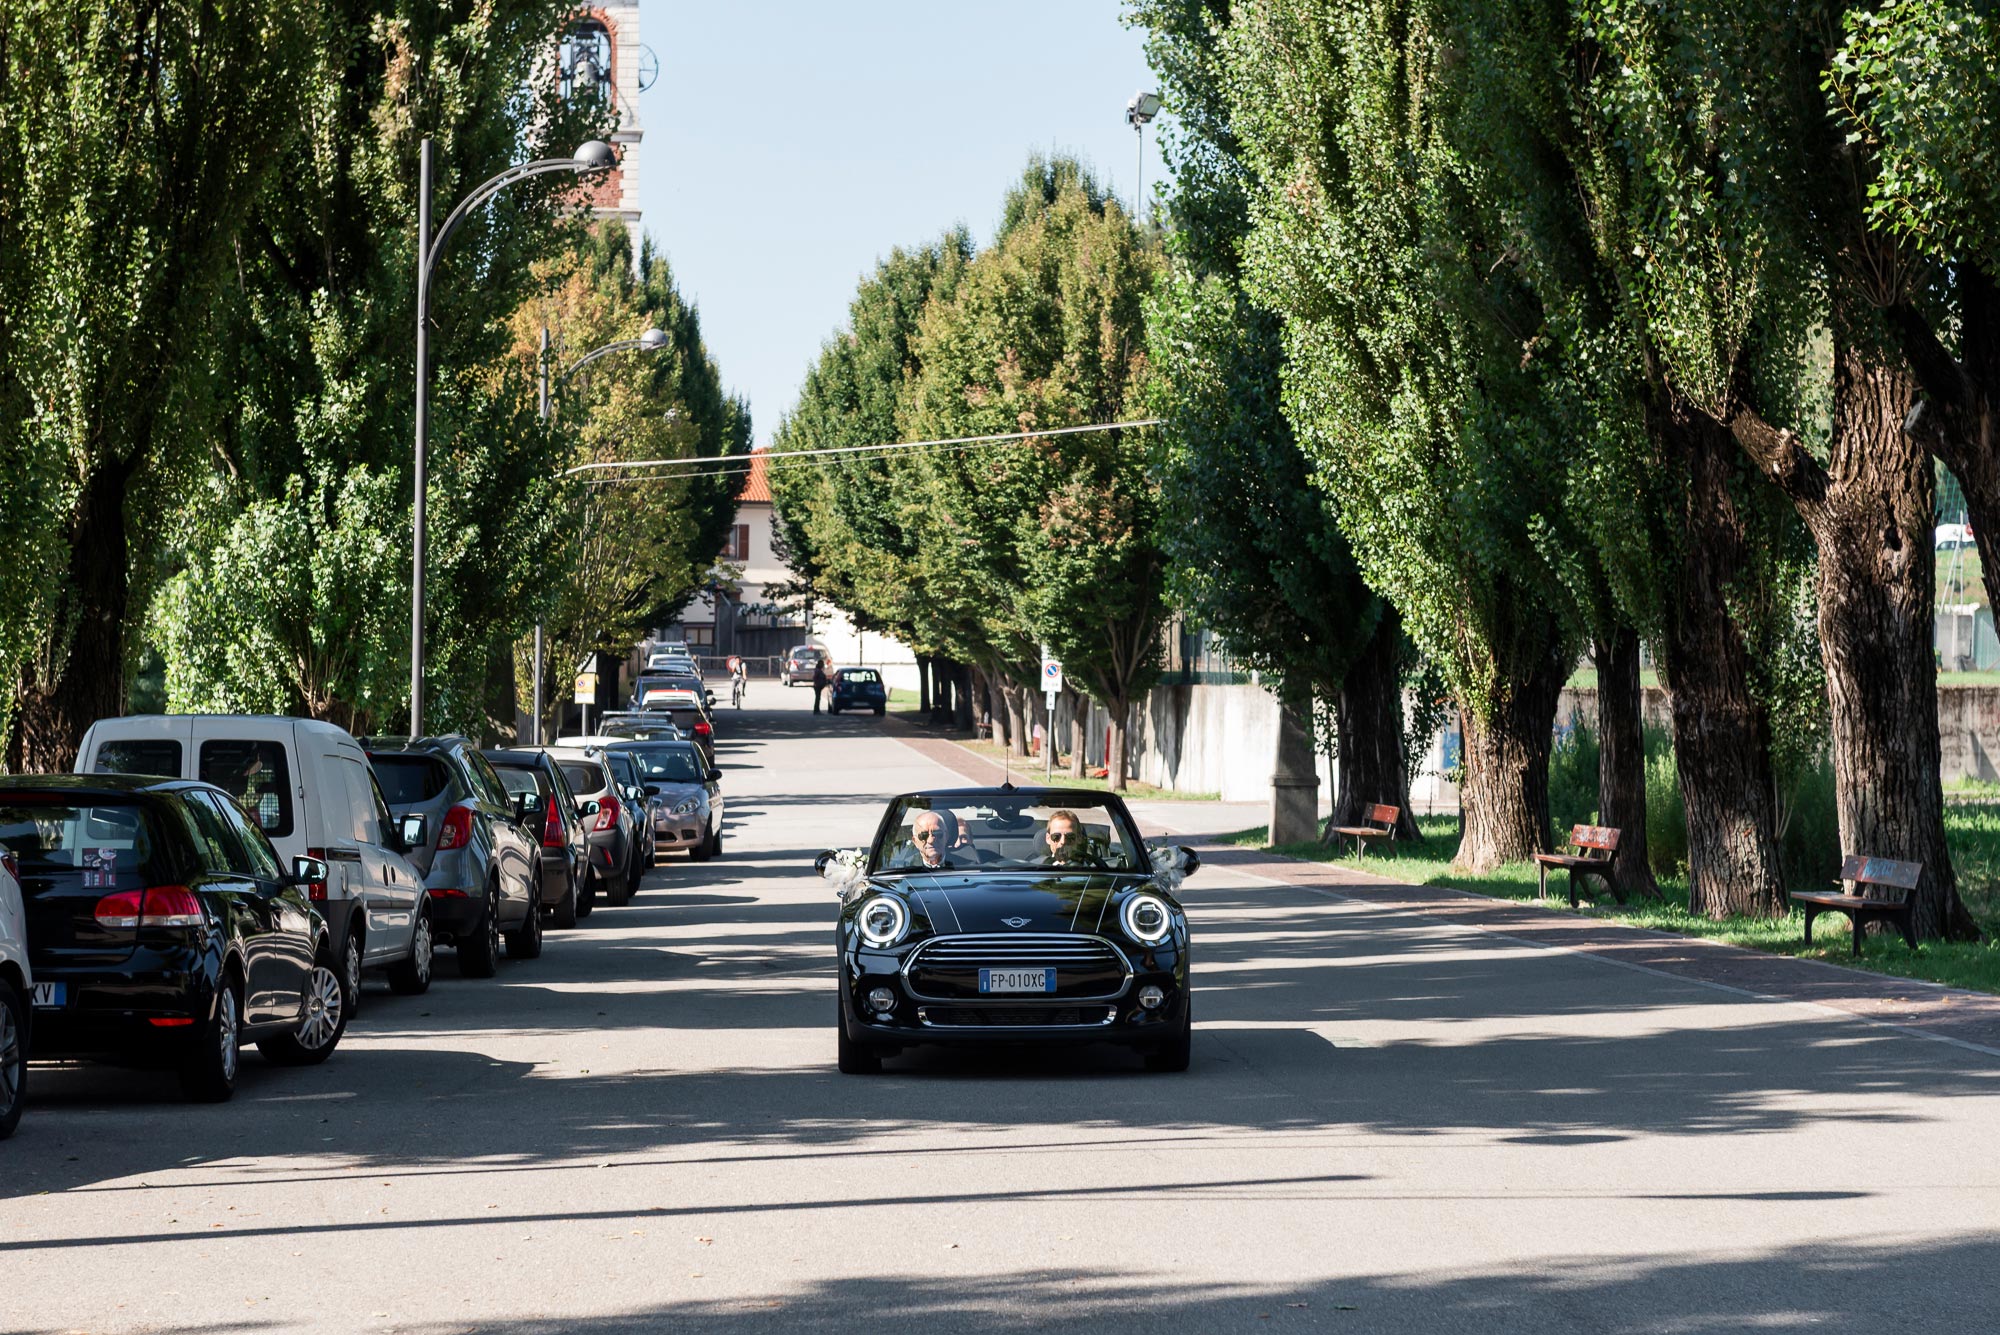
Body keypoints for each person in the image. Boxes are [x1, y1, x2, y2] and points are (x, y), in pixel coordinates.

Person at [890, 809, 956, 869]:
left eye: (937, 833)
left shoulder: (963, 868)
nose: (931, 840)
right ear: (915, 841)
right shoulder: (904, 869)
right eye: (923, 835)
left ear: (946, 836)